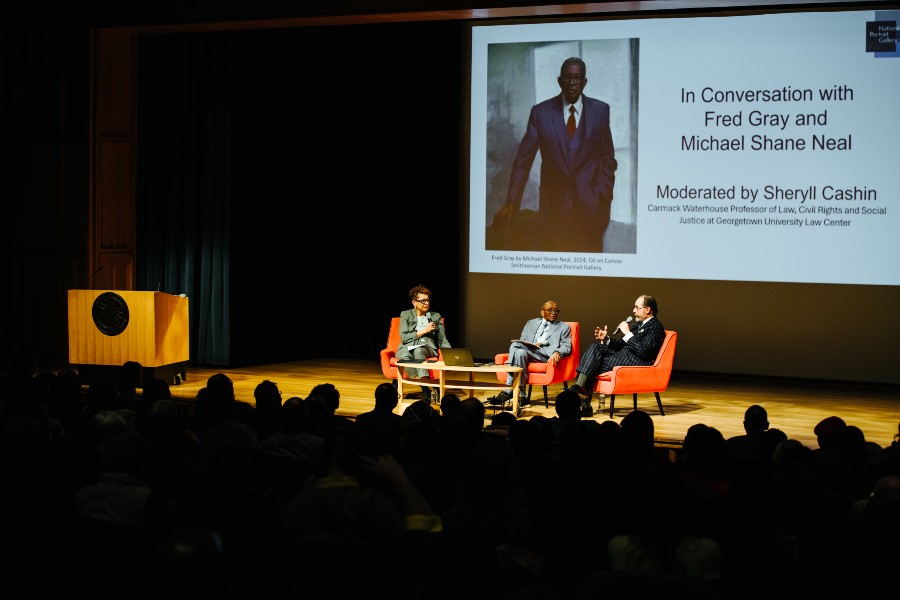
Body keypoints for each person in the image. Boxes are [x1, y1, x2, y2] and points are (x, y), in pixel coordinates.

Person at [491, 56, 617, 253]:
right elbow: (523, 161)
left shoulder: (600, 111)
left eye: (577, 77)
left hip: (591, 210)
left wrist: (602, 194)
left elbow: (607, 158)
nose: (573, 82)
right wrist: (512, 202)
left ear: (585, 81)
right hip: (553, 212)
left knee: (589, 275)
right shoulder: (540, 113)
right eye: (568, 77)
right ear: (560, 81)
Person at [569, 295, 665, 416]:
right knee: (595, 347)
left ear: (648, 310)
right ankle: (579, 387)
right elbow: (620, 344)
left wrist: (628, 333)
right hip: (624, 356)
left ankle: (583, 399)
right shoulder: (637, 324)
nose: (634, 311)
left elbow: (643, 351)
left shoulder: (655, 327)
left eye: (637, 308)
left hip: (638, 361)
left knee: (594, 363)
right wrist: (606, 339)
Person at [488, 300, 572, 409]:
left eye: (556, 310)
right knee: (519, 352)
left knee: (515, 345)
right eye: (550, 310)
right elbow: (523, 341)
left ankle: (509, 388)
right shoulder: (530, 323)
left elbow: (567, 346)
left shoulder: (563, 327)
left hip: (545, 355)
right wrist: (532, 345)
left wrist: (558, 352)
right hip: (529, 352)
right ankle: (522, 395)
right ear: (542, 312)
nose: (554, 313)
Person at [395, 284, 451, 402]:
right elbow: (404, 338)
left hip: (427, 346)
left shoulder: (435, 316)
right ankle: (425, 386)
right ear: (414, 302)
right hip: (407, 346)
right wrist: (423, 330)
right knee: (404, 354)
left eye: (428, 300)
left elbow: (442, 339)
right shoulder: (406, 315)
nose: (427, 303)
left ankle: (425, 389)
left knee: (419, 350)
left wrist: (449, 354)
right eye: (423, 301)